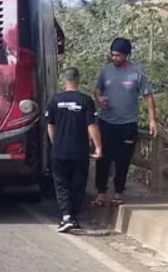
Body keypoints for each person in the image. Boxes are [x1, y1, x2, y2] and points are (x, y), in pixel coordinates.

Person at [92, 37, 158, 207]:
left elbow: (147, 96)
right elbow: (97, 89)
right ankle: (101, 193)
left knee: (123, 160)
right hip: (106, 122)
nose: (114, 58)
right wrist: (99, 98)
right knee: (103, 159)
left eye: (118, 55)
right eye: (112, 55)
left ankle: (119, 192)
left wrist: (152, 120)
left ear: (127, 55)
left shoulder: (137, 73)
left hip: (127, 124)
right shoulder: (105, 71)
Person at [47, 67, 103, 233]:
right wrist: (98, 147)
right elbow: (92, 125)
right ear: (78, 80)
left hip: (60, 150)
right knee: (78, 185)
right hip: (80, 150)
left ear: (64, 81)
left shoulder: (54, 100)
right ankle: (73, 217)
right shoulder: (85, 100)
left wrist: (55, 143)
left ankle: (66, 217)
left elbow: (51, 126)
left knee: (61, 184)